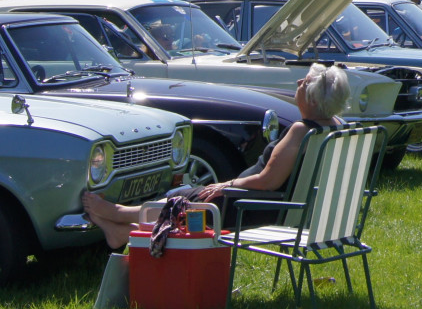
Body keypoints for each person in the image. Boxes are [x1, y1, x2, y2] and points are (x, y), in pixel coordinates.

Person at [82, 64, 351, 249]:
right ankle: (122, 232)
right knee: (192, 199)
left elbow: (268, 181)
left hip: (256, 209)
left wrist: (227, 185)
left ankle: (116, 213)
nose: (297, 83)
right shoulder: (337, 126)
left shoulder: (300, 131)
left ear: (313, 99)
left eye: (303, 82)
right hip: (293, 210)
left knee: (183, 200)